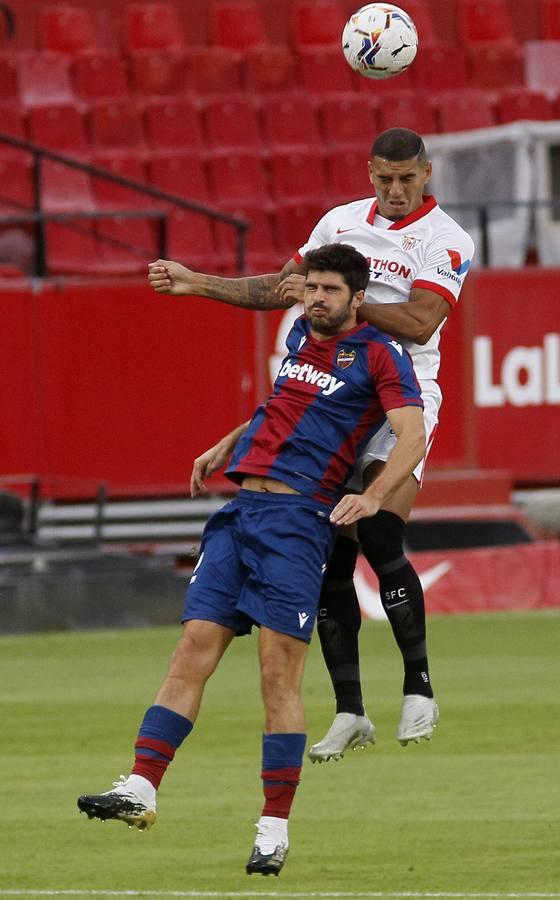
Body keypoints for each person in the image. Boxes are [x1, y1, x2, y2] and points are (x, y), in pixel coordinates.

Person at [78, 244, 426, 877]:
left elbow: (413, 434)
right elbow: (288, 407)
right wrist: (231, 439)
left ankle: (273, 828)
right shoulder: (297, 335)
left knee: (276, 676)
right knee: (192, 648)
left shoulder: (380, 354)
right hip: (240, 513)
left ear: (356, 296)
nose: (313, 298)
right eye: (308, 287)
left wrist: (373, 496)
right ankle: (141, 786)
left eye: (327, 290)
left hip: (298, 525)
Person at [147, 127, 475, 762]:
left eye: (407, 179)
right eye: (384, 178)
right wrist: (197, 282)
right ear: (370, 172)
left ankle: (419, 687)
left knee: (378, 531)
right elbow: (283, 287)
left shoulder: (446, 240)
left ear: (427, 174)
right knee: (326, 548)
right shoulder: (340, 222)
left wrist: (343, 307)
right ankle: (351, 709)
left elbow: (420, 320)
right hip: (333, 394)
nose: (395, 190)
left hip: (401, 394)